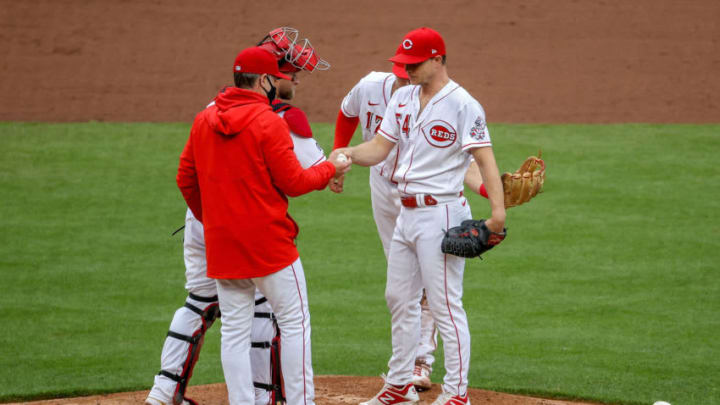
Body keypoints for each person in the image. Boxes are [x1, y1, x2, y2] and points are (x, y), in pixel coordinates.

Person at [145, 29, 331, 405]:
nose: (292, 78)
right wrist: (333, 168)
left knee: (225, 322)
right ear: (265, 79)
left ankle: (175, 391)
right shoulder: (273, 120)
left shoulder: (206, 116)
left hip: (218, 238)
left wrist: (210, 217)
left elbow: (185, 177)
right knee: (293, 323)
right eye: (286, 73)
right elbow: (297, 180)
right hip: (267, 243)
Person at [335, 27, 506, 405]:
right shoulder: (404, 99)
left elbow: (484, 159)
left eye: (414, 64)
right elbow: (379, 148)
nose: (406, 70)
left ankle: (457, 393)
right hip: (406, 214)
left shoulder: (464, 104)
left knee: (445, 304)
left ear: (438, 59)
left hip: (442, 213)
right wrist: (346, 153)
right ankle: (398, 385)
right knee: (398, 297)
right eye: (403, 64)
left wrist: (497, 214)